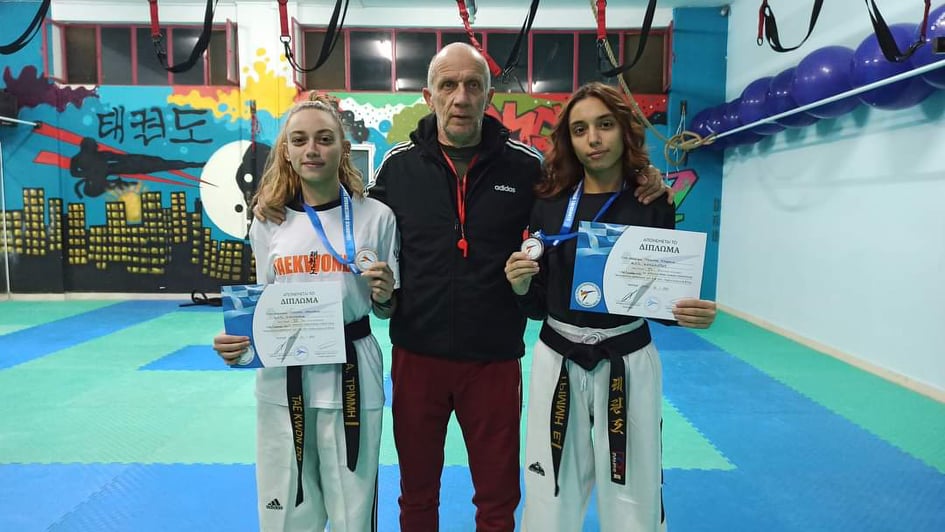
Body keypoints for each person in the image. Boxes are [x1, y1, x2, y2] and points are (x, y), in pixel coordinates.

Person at [255, 43, 670, 531]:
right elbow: (342, 210)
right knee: (417, 494)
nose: (460, 97)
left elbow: (576, 192)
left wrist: (643, 176)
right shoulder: (399, 166)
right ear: (429, 95)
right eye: (448, 85)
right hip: (418, 355)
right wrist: (278, 196)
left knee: (498, 496)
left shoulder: (524, 167)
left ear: (488, 96)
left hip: (493, 359)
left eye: (473, 85)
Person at [504, 82, 717, 532]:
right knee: (550, 487)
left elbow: (655, 294)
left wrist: (685, 312)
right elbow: (539, 305)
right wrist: (521, 286)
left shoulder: (652, 200)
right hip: (558, 358)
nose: (594, 139)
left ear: (624, 129)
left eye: (605, 125)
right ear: (569, 139)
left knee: (633, 490)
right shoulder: (548, 203)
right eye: (580, 129)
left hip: (627, 359)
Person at [212, 93, 399, 532]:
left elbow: (386, 309)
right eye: (299, 140)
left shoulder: (376, 216)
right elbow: (264, 301)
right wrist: (238, 343)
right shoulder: (268, 221)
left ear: (343, 148)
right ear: (287, 152)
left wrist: (386, 294)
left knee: (354, 512)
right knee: (287, 511)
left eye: (324, 139)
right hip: (284, 377)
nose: (312, 149)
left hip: (352, 373)